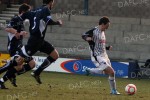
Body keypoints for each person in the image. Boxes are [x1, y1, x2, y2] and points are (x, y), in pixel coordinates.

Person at [0, 0, 62, 85]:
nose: (53, 4)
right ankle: (2, 80)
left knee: (55, 55)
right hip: (33, 42)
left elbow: (22, 17)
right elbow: (48, 21)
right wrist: (57, 22)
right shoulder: (46, 9)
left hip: (40, 41)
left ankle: (37, 72)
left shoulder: (35, 10)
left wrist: (18, 31)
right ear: (50, 2)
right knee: (18, 62)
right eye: (53, 2)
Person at [0, 3, 36, 89]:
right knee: (18, 64)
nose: (30, 13)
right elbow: (7, 28)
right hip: (14, 47)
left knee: (32, 64)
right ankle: (4, 76)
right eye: (28, 11)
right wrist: (18, 33)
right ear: (23, 12)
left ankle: (9, 76)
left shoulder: (22, 21)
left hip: (20, 47)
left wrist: (21, 33)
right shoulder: (16, 19)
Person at [82, 16, 120, 95]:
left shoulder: (102, 32)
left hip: (104, 55)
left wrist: (107, 47)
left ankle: (113, 91)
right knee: (112, 71)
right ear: (102, 24)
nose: (107, 28)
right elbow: (83, 34)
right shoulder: (94, 31)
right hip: (97, 56)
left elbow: (99, 44)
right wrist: (86, 38)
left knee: (111, 73)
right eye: (107, 26)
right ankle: (89, 70)